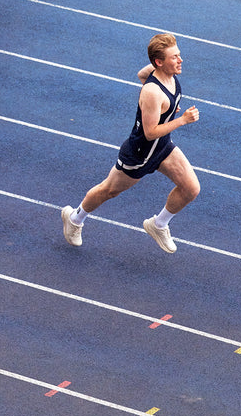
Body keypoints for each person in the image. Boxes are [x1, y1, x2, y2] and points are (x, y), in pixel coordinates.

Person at [61, 33, 200, 253]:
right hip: (139, 153)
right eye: (174, 57)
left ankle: (158, 224)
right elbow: (150, 132)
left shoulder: (165, 75)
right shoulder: (152, 93)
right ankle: (75, 218)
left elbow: (142, 73)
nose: (180, 60)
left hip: (162, 147)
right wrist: (181, 120)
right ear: (159, 62)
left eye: (179, 55)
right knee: (109, 191)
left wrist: (169, 110)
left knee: (191, 188)